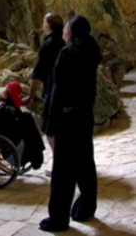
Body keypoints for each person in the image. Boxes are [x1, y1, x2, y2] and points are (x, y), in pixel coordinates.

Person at [40, 16, 101, 232]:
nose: (64, 29)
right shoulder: (92, 52)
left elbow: (57, 92)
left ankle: (58, 219)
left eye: (67, 26)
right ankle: (86, 208)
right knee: (85, 165)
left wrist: (50, 123)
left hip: (67, 120)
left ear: (72, 31)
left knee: (62, 173)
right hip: (84, 117)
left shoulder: (67, 54)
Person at [23, 12, 65, 175]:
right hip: (66, 92)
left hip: (53, 92)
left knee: (50, 130)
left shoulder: (47, 46)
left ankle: (59, 165)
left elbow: (38, 74)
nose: (42, 25)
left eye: (43, 22)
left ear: (48, 26)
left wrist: (31, 95)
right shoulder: (63, 43)